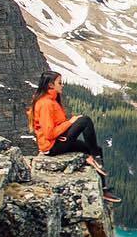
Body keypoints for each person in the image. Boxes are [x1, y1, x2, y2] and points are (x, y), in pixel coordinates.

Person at [28, 71, 121, 204]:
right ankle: (96, 159)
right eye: (59, 83)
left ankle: (104, 188)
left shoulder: (52, 100)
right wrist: (70, 122)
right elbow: (49, 134)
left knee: (96, 148)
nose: (62, 85)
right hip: (52, 146)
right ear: (50, 85)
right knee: (85, 121)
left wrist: (67, 126)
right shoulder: (45, 104)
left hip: (58, 140)